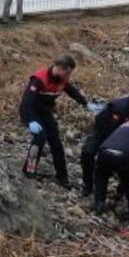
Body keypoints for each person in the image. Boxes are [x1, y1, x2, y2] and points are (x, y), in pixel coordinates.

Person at [19, 55, 90, 188]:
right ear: (59, 68)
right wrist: (30, 120)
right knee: (40, 138)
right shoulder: (39, 79)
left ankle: (62, 177)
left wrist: (86, 104)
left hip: (45, 112)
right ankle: (28, 170)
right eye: (67, 73)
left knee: (56, 142)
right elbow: (26, 102)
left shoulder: (62, 79)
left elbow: (72, 91)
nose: (68, 76)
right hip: (31, 111)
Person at [80, 89, 129, 197]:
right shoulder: (119, 107)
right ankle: (87, 186)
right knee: (88, 153)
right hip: (104, 131)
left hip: (124, 138)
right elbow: (105, 126)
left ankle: (121, 191)